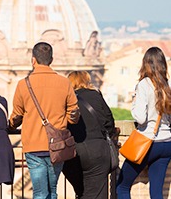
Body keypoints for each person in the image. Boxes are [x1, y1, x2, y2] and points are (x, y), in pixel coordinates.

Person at [9, 42, 80, 199]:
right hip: (58, 145)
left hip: (33, 144)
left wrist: (11, 125)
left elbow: (16, 116)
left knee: (40, 192)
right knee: (52, 190)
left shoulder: (23, 84)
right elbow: (74, 114)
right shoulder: (64, 83)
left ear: (33, 60)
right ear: (51, 59)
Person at [116, 47, 171, 199]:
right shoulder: (168, 85)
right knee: (156, 192)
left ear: (145, 64)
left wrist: (134, 102)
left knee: (122, 186)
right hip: (167, 143)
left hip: (148, 143)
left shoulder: (144, 84)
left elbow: (140, 118)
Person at [62, 71, 116, 199]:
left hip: (73, 150)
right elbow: (109, 121)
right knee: (97, 193)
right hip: (97, 148)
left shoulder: (66, 98)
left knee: (81, 192)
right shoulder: (95, 96)